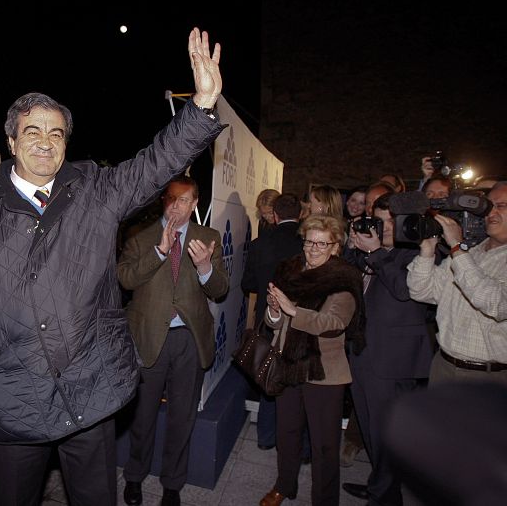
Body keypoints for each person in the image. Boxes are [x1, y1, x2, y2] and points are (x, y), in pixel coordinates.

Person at [0, 27, 224, 506]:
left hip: (90, 387)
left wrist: (202, 107)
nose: (45, 143)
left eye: (56, 133)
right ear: (10, 139)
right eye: (32, 131)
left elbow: (154, 165)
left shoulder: (93, 189)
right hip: (15, 392)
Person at [117, 175, 229, 506]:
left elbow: (219, 289)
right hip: (149, 337)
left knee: (182, 418)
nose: (175, 205)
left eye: (183, 200)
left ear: (195, 204)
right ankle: (135, 477)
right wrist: (160, 252)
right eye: (170, 199)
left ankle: (172, 484)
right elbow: (124, 278)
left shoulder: (208, 237)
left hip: (189, 340)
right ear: (163, 200)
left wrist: (206, 267)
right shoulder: (140, 237)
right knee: (143, 416)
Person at [259, 214, 364, 506]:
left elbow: (333, 323)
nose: (313, 249)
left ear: (336, 246)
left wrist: (292, 310)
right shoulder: (291, 270)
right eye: (309, 241)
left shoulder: (344, 278)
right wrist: (276, 311)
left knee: (325, 444)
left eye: (322, 243)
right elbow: (273, 323)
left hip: (324, 372)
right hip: (288, 364)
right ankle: (284, 485)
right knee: (287, 432)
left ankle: (325, 500)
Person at [341, 192, 435, 505]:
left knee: (387, 436)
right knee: (371, 429)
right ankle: (381, 485)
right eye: (381, 222)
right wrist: (356, 251)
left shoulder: (418, 253)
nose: (386, 228)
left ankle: (384, 497)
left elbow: (406, 290)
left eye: (391, 222)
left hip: (392, 361)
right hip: (363, 353)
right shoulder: (376, 252)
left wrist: (376, 252)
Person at [406, 181, 507, 386]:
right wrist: (427, 251)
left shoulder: (461, 251)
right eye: (488, 206)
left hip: (487, 377)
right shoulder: (472, 251)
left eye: (501, 206)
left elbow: (495, 303)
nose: (490, 213)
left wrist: (456, 246)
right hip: (444, 366)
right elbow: (422, 292)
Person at [241, 192, 303, 450]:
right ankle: (298, 444)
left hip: (269, 317)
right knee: (298, 380)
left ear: (275, 215)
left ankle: (266, 437)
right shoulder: (309, 244)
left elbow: (248, 284)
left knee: (269, 375)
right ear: (300, 215)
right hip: (302, 320)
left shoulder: (259, 244)